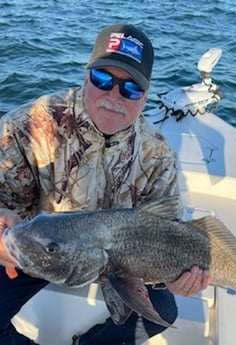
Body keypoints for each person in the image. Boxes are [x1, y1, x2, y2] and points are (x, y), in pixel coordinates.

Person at [0, 23, 211, 345]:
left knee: (163, 313)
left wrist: (178, 278)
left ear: (146, 95)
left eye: (130, 89)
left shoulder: (157, 154)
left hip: (122, 263)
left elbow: (167, 229)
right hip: (39, 251)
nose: (114, 95)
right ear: (86, 75)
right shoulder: (30, 124)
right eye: (103, 79)